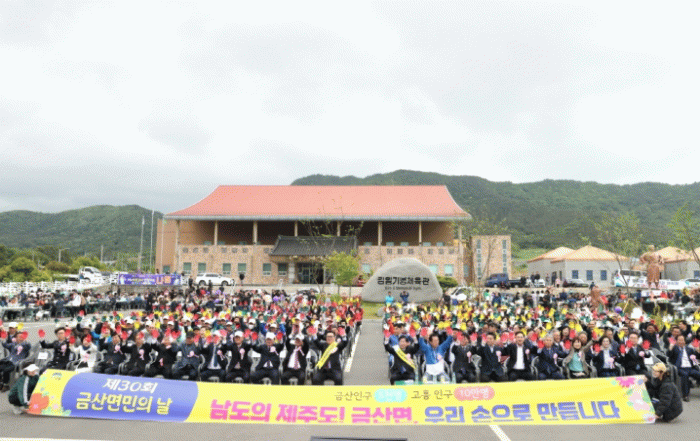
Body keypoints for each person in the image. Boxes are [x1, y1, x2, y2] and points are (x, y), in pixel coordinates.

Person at [666, 335, 700, 402]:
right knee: (685, 374)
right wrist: (670, 347)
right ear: (676, 341)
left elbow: (696, 358)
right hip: (679, 368)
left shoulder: (689, 349)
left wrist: (698, 350)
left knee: (698, 374)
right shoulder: (674, 348)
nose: (681, 342)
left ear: (685, 341)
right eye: (679, 340)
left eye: (682, 340)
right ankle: (685, 395)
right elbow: (668, 355)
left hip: (690, 368)